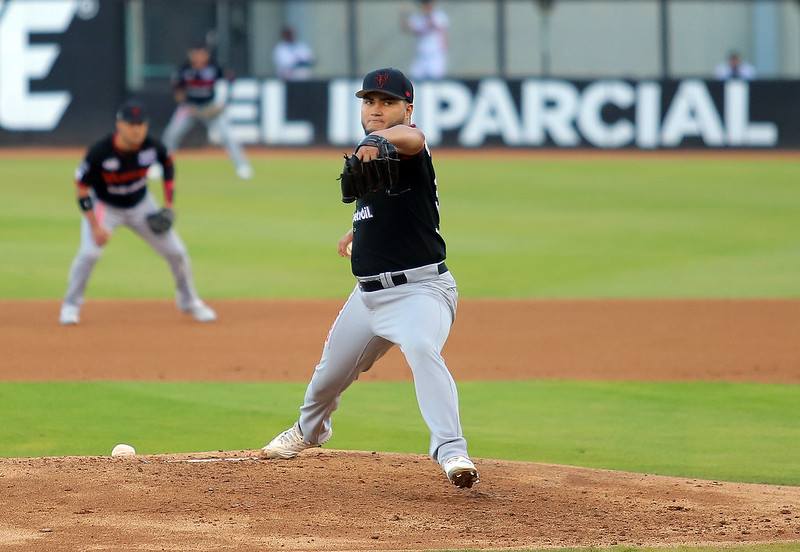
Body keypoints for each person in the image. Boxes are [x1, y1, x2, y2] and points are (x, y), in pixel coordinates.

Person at [260, 68, 479, 489]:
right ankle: (309, 432)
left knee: (420, 348)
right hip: (367, 298)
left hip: (421, 291)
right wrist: (356, 228)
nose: (376, 110)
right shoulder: (373, 155)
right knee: (327, 377)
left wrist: (379, 138)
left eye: (387, 102)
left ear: (407, 109)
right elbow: (382, 206)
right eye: (370, 102)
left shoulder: (406, 145)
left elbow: (413, 139)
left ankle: (452, 451)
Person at [58, 101, 217, 325]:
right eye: (131, 124)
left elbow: (168, 165)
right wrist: (94, 225)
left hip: (142, 205)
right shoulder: (100, 152)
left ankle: (188, 300)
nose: (137, 129)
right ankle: (71, 305)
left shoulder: (152, 147)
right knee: (89, 254)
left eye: (141, 124)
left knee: (177, 252)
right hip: (106, 205)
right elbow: (81, 187)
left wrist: (169, 204)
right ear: (119, 125)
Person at [161, 43, 253, 180]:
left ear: (206, 55)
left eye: (201, 53)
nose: (197, 57)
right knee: (171, 133)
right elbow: (178, 91)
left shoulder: (214, 67)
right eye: (195, 53)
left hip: (209, 108)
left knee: (228, 136)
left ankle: (242, 166)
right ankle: (162, 166)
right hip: (189, 108)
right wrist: (186, 105)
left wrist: (223, 104)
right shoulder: (184, 69)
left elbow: (231, 81)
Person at [400, 0, 449, 80]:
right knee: (413, 79)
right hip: (421, 57)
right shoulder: (418, 17)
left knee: (435, 82)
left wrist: (428, 14)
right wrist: (404, 14)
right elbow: (407, 29)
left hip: (435, 56)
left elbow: (435, 26)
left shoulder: (439, 15)